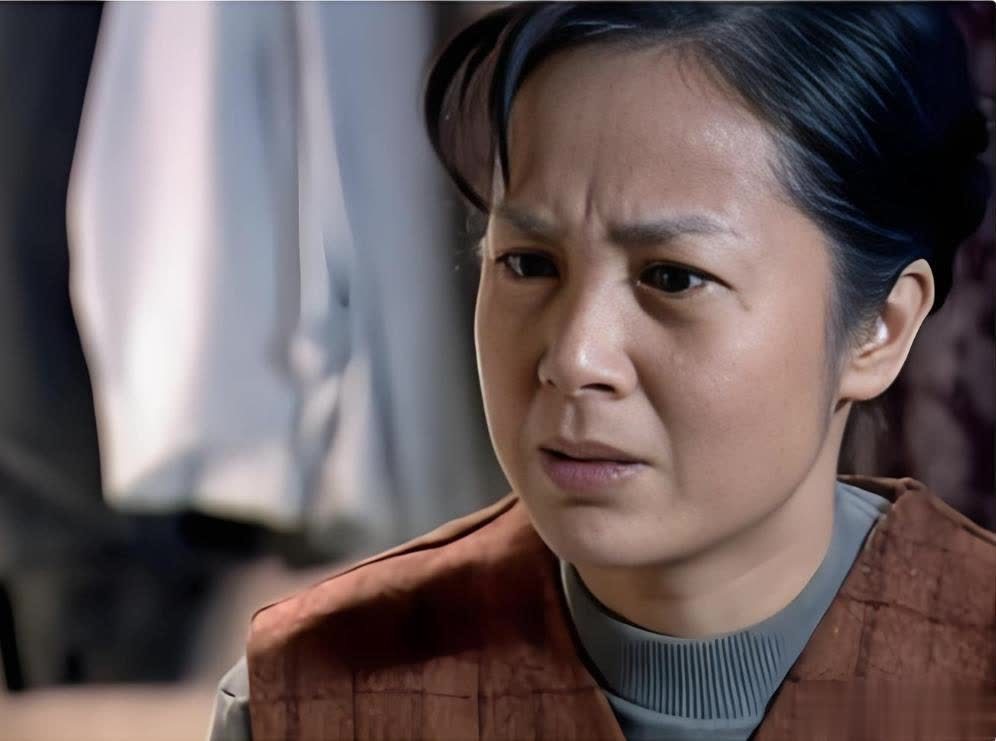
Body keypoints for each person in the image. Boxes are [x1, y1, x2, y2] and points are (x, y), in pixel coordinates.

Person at [208, 4, 995, 739]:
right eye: (528, 263)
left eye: (673, 277)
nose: (573, 356)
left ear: (880, 329)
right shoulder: (311, 702)